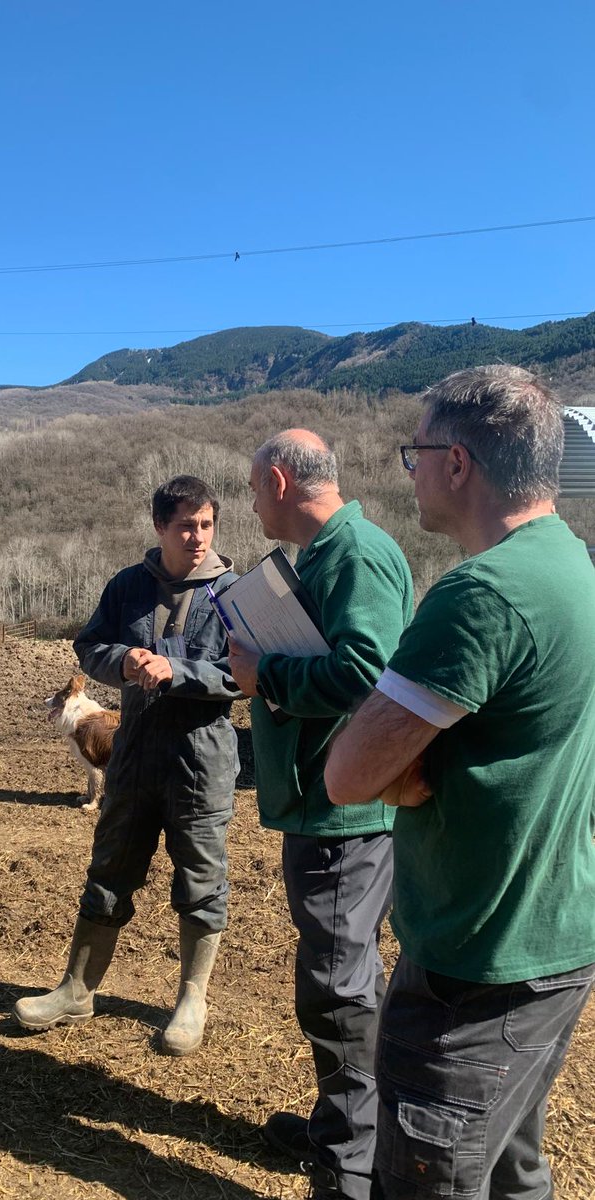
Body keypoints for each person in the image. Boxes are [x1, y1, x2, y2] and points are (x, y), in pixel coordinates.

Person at [325, 366, 595, 1200]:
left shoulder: (482, 595)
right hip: (551, 939)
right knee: (513, 1166)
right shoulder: (573, 564)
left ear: (458, 462)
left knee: (432, 1179)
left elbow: (347, 774)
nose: (411, 474)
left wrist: (404, 775)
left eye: (416, 455)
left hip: (475, 967)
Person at [228, 430, 413, 1200]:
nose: (250, 501)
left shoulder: (357, 555)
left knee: (339, 986)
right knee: (334, 976)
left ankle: (351, 1167)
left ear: (277, 480)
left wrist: (262, 671)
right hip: (326, 806)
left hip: (346, 818)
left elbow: (367, 674)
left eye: (250, 487)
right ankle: (339, 1125)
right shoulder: (331, 554)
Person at [12, 474, 240, 1055]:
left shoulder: (236, 593)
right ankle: (77, 989)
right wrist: (124, 660)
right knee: (110, 868)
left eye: (206, 524)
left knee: (201, 880)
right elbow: (89, 646)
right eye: (186, 524)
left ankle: (192, 998)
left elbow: (247, 673)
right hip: (134, 752)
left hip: (202, 759)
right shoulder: (127, 587)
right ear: (160, 526)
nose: (197, 536)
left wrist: (179, 672)